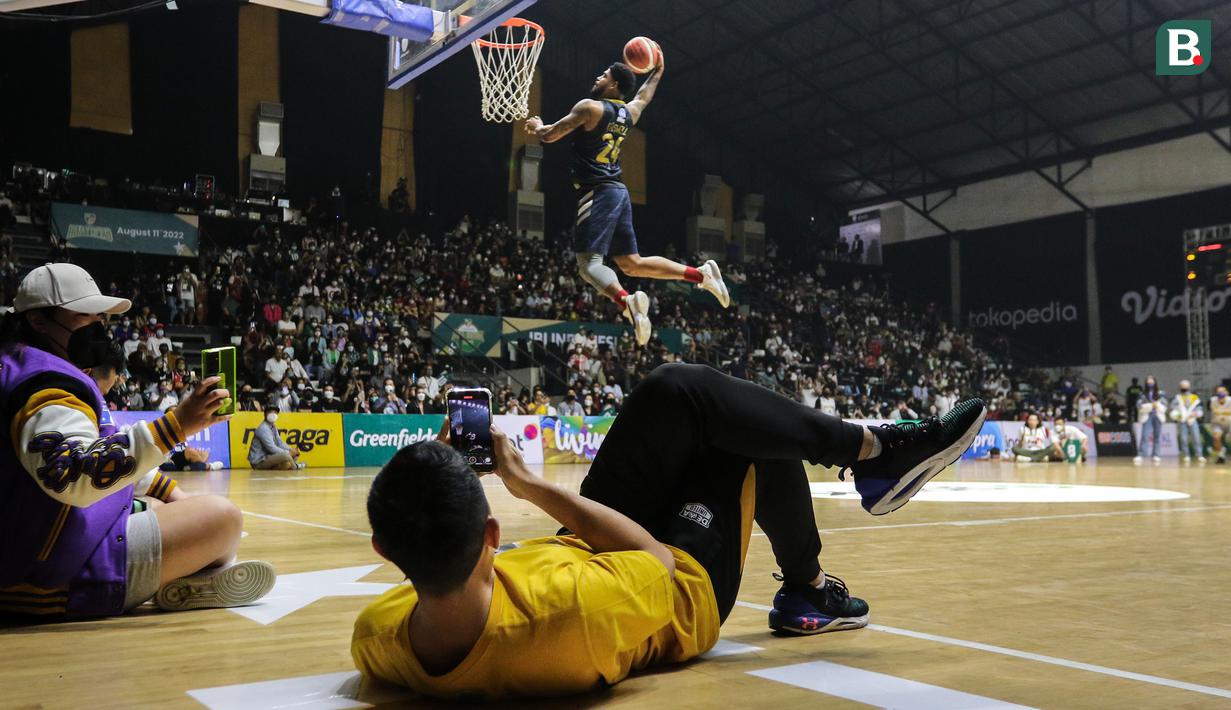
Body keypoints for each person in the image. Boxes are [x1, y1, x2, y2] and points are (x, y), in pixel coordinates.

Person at [352, 364, 987, 699]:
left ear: (388, 551)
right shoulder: (568, 617)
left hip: (587, 547)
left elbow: (432, 557)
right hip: (679, 579)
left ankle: (864, 468)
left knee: (671, 390)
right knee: (747, 435)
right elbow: (651, 558)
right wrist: (529, 485)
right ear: (491, 534)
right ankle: (820, 564)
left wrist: (438, 478)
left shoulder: (381, 634)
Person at [0, 263, 273, 618]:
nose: (96, 326)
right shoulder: (45, 385)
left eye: (99, 316)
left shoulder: (21, 364)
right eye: (83, 315)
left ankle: (181, 577)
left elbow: (98, 446)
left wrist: (170, 491)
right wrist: (177, 426)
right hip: (48, 579)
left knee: (162, 507)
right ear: (38, 320)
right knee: (223, 518)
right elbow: (73, 475)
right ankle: (183, 580)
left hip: (40, 542)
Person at [524, 53, 729, 346]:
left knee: (588, 264)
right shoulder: (629, 113)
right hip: (618, 191)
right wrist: (658, 70)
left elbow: (549, 135)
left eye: (604, 75)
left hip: (597, 191)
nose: (599, 77)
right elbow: (644, 96)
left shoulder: (589, 107)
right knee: (631, 263)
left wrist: (537, 124)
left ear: (613, 85)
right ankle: (701, 275)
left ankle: (627, 301)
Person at [247, 404, 304, 470]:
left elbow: (280, 442)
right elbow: (271, 448)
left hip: (267, 457)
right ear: (265, 414)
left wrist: (291, 450)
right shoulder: (263, 428)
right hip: (259, 461)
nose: (273, 414)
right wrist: (288, 453)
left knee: (288, 462)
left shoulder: (273, 427)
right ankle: (296, 467)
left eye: (275, 412)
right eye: (270, 412)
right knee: (286, 456)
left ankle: (280, 467)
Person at [1170, 379, 1205, 464]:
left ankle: (1199, 455)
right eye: (1182, 386)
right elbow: (1173, 408)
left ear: (1189, 387)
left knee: (1196, 438)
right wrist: (1177, 415)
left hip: (1192, 420)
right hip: (1182, 421)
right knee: (1183, 438)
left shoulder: (1194, 397)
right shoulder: (1177, 398)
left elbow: (1199, 408)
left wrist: (1195, 413)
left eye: (1185, 386)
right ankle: (1186, 455)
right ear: (1179, 387)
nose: (1184, 387)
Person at [1134, 376, 1166, 465]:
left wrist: (1157, 405)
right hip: (1147, 415)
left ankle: (1156, 454)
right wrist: (1150, 406)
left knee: (1157, 436)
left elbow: (1165, 405)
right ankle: (1141, 454)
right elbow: (1138, 405)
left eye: (1151, 380)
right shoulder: (1142, 394)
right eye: (1148, 380)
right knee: (1144, 435)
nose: (1150, 382)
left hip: (1158, 415)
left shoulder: (1161, 393)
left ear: (1155, 382)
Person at [1208, 385, 1231, 464]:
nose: (1221, 393)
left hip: (1229, 423)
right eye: (1219, 392)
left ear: (1227, 392)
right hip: (1218, 423)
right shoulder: (1212, 401)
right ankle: (1221, 455)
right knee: (1216, 437)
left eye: (1222, 391)